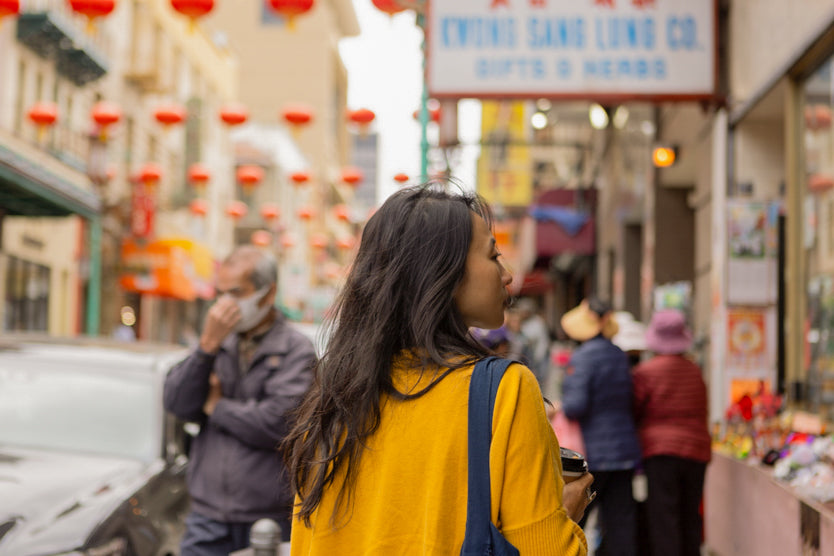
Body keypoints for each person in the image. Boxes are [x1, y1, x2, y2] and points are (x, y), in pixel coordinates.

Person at [284, 184, 594, 555]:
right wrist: (565, 515)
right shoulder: (505, 392)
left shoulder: (333, 396)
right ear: (441, 273)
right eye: (493, 255)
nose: (507, 274)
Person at [163, 245, 316, 555]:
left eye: (236, 292)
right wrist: (206, 346)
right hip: (208, 515)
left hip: (269, 520)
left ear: (267, 293)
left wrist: (217, 406)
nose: (225, 304)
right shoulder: (217, 342)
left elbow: (279, 422)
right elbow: (178, 403)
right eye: (221, 293)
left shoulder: (296, 349)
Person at [560, 298, 641, 556]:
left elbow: (576, 406)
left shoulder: (582, 358)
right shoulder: (619, 355)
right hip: (624, 452)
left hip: (592, 454)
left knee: (576, 519)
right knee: (620, 525)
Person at [632, 309, 711, 556]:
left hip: (660, 452)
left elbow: (635, 410)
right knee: (690, 515)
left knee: (664, 518)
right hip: (696, 451)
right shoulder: (695, 371)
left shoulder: (645, 373)